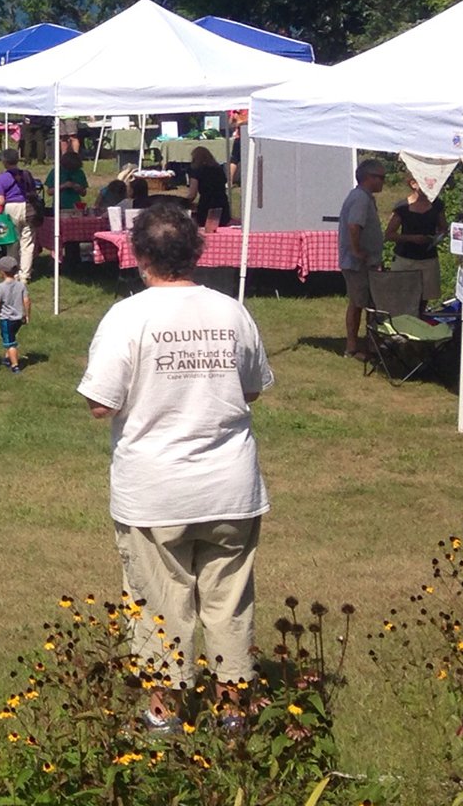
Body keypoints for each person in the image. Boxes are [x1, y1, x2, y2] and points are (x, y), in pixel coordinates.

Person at [77, 206, 274, 731]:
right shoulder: (231, 311)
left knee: (159, 603)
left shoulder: (127, 316)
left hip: (156, 490)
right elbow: (251, 387)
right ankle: (233, 710)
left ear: (139, 256)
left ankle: (165, 712)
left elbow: (101, 403)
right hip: (229, 485)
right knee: (228, 602)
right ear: (197, 251)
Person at [339, 159, 388, 358]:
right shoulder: (360, 198)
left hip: (365, 261)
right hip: (358, 263)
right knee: (360, 303)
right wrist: (357, 250)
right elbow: (353, 225)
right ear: (369, 178)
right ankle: (353, 347)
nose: (384, 182)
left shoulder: (365, 197)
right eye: (381, 178)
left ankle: (369, 343)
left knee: (365, 302)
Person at [387, 180, 444, 304]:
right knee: (403, 298)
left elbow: (443, 228)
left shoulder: (437, 205)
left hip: (428, 259)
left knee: (424, 298)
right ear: (413, 184)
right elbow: (389, 234)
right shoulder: (402, 207)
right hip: (405, 259)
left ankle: (420, 321)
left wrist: (436, 238)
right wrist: (412, 238)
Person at [0, 148, 42, 282]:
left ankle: (12, 272)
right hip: (28, 208)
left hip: (11, 208)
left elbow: (1, 200)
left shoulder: (2, 178)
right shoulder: (27, 174)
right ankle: (25, 274)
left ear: (4, 162)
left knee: (12, 241)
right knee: (27, 243)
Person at [0, 255, 30, 373]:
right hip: (18, 318)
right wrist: (27, 315)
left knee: (10, 343)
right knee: (11, 337)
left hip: (6, 319)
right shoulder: (21, 285)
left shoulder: (1, 287)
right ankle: (8, 358)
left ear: (2, 272)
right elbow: (27, 300)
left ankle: (15, 365)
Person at [185, 147, 229, 229]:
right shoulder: (218, 169)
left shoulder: (196, 171)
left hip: (206, 205)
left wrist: (184, 203)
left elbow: (192, 194)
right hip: (222, 203)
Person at [49, 150, 92, 216]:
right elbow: (50, 192)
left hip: (75, 206)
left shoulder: (79, 173)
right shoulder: (56, 171)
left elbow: (84, 193)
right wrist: (63, 186)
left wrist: (78, 188)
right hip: (60, 205)